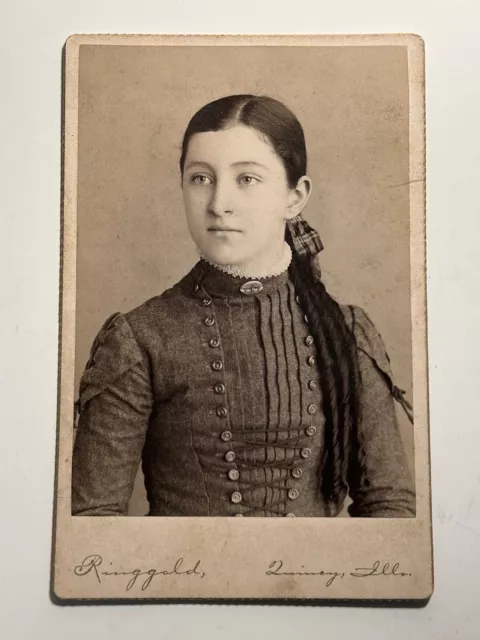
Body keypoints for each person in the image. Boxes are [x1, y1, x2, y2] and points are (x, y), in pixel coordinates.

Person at [71, 94, 416, 518]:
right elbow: (92, 523)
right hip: (181, 581)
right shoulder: (140, 339)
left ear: (295, 196)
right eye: (200, 178)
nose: (218, 204)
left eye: (247, 179)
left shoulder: (346, 333)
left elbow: (390, 508)